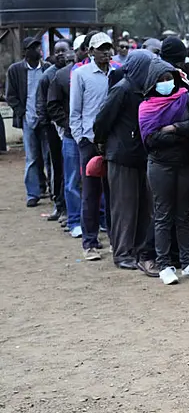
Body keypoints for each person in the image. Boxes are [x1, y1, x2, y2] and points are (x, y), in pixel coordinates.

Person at [140, 60, 189, 285]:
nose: (165, 83)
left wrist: (174, 128)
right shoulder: (147, 106)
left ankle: (187, 262)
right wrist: (184, 132)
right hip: (161, 166)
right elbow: (151, 139)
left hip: (187, 164)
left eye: (168, 78)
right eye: (160, 80)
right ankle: (164, 265)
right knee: (163, 215)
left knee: (184, 215)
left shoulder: (186, 97)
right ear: (152, 82)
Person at [93, 50, 158, 274]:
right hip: (121, 156)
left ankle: (139, 250)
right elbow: (101, 120)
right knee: (124, 207)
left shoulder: (143, 90)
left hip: (140, 155)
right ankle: (122, 253)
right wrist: (102, 144)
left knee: (143, 207)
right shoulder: (122, 89)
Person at [70, 32, 117, 261]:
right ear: (90, 51)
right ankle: (89, 242)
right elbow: (75, 111)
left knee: (113, 193)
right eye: (101, 49)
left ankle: (115, 241)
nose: (106, 52)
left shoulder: (117, 73)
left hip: (113, 141)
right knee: (90, 194)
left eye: (108, 48)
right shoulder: (80, 75)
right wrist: (81, 139)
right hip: (89, 141)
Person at [6, 36, 50, 207]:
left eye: (38, 47)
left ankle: (52, 190)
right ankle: (33, 193)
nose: (38, 50)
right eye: (33, 48)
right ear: (26, 52)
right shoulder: (15, 70)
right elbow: (11, 96)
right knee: (31, 158)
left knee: (49, 157)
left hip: (45, 120)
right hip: (28, 119)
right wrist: (22, 113)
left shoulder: (47, 69)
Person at [35, 39, 72, 222]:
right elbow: (41, 103)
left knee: (70, 170)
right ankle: (60, 206)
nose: (60, 54)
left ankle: (70, 208)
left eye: (63, 50)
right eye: (56, 51)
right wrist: (46, 124)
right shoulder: (48, 76)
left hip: (70, 128)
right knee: (57, 167)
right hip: (53, 128)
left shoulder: (74, 72)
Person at [47, 46, 82, 238]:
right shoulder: (60, 77)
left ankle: (100, 219)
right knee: (72, 180)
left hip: (92, 135)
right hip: (71, 136)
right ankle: (74, 220)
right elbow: (52, 105)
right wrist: (68, 125)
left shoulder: (98, 73)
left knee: (96, 179)